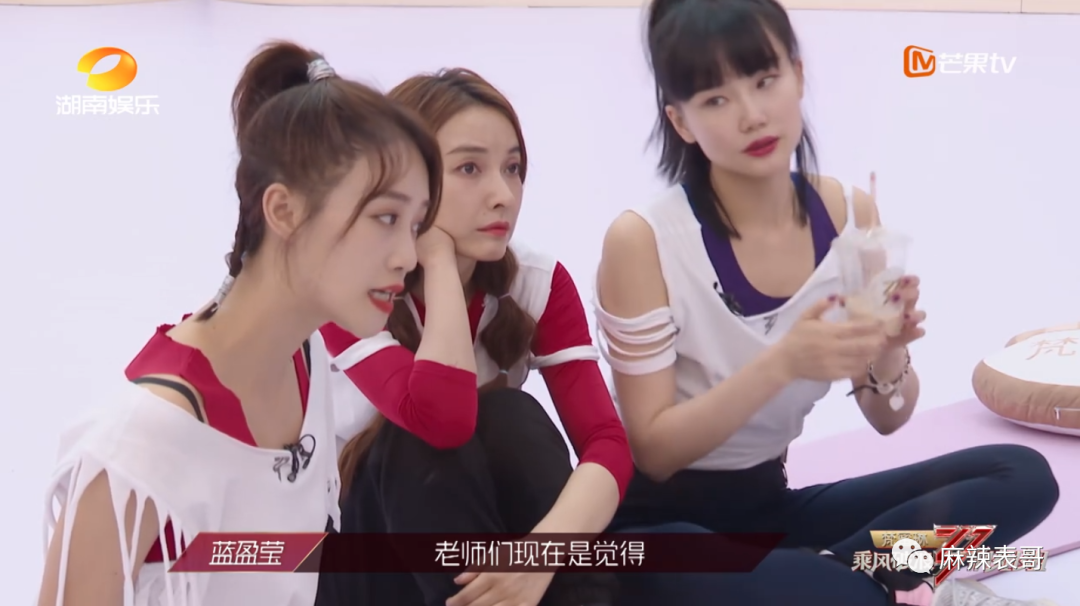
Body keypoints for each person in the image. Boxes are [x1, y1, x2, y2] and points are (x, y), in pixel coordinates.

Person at [592, 1, 1061, 605]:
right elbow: (654, 453)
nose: (752, 114)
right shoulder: (643, 241)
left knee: (1022, 477)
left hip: (772, 512)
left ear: (798, 74)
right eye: (716, 99)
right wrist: (784, 362)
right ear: (681, 121)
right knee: (842, 592)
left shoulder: (850, 217)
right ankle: (863, 584)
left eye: (765, 80)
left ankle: (840, 576)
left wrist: (886, 350)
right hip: (656, 531)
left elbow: (889, 418)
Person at [36, 42, 442, 606]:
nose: (408, 256)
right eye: (386, 218)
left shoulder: (309, 362)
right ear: (284, 210)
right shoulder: (141, 441)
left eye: (416, 225)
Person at [315, 69, 633, 606]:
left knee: (511, 416)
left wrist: (540, 556)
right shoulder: (344, 286)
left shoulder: (537, 282)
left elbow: (607, 442)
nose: (503, 195)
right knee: (418, 432)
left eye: (513, 168)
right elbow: (439, 419)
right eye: (469, 168)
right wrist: (438, 260)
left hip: (486, 555)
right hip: (362, 567)